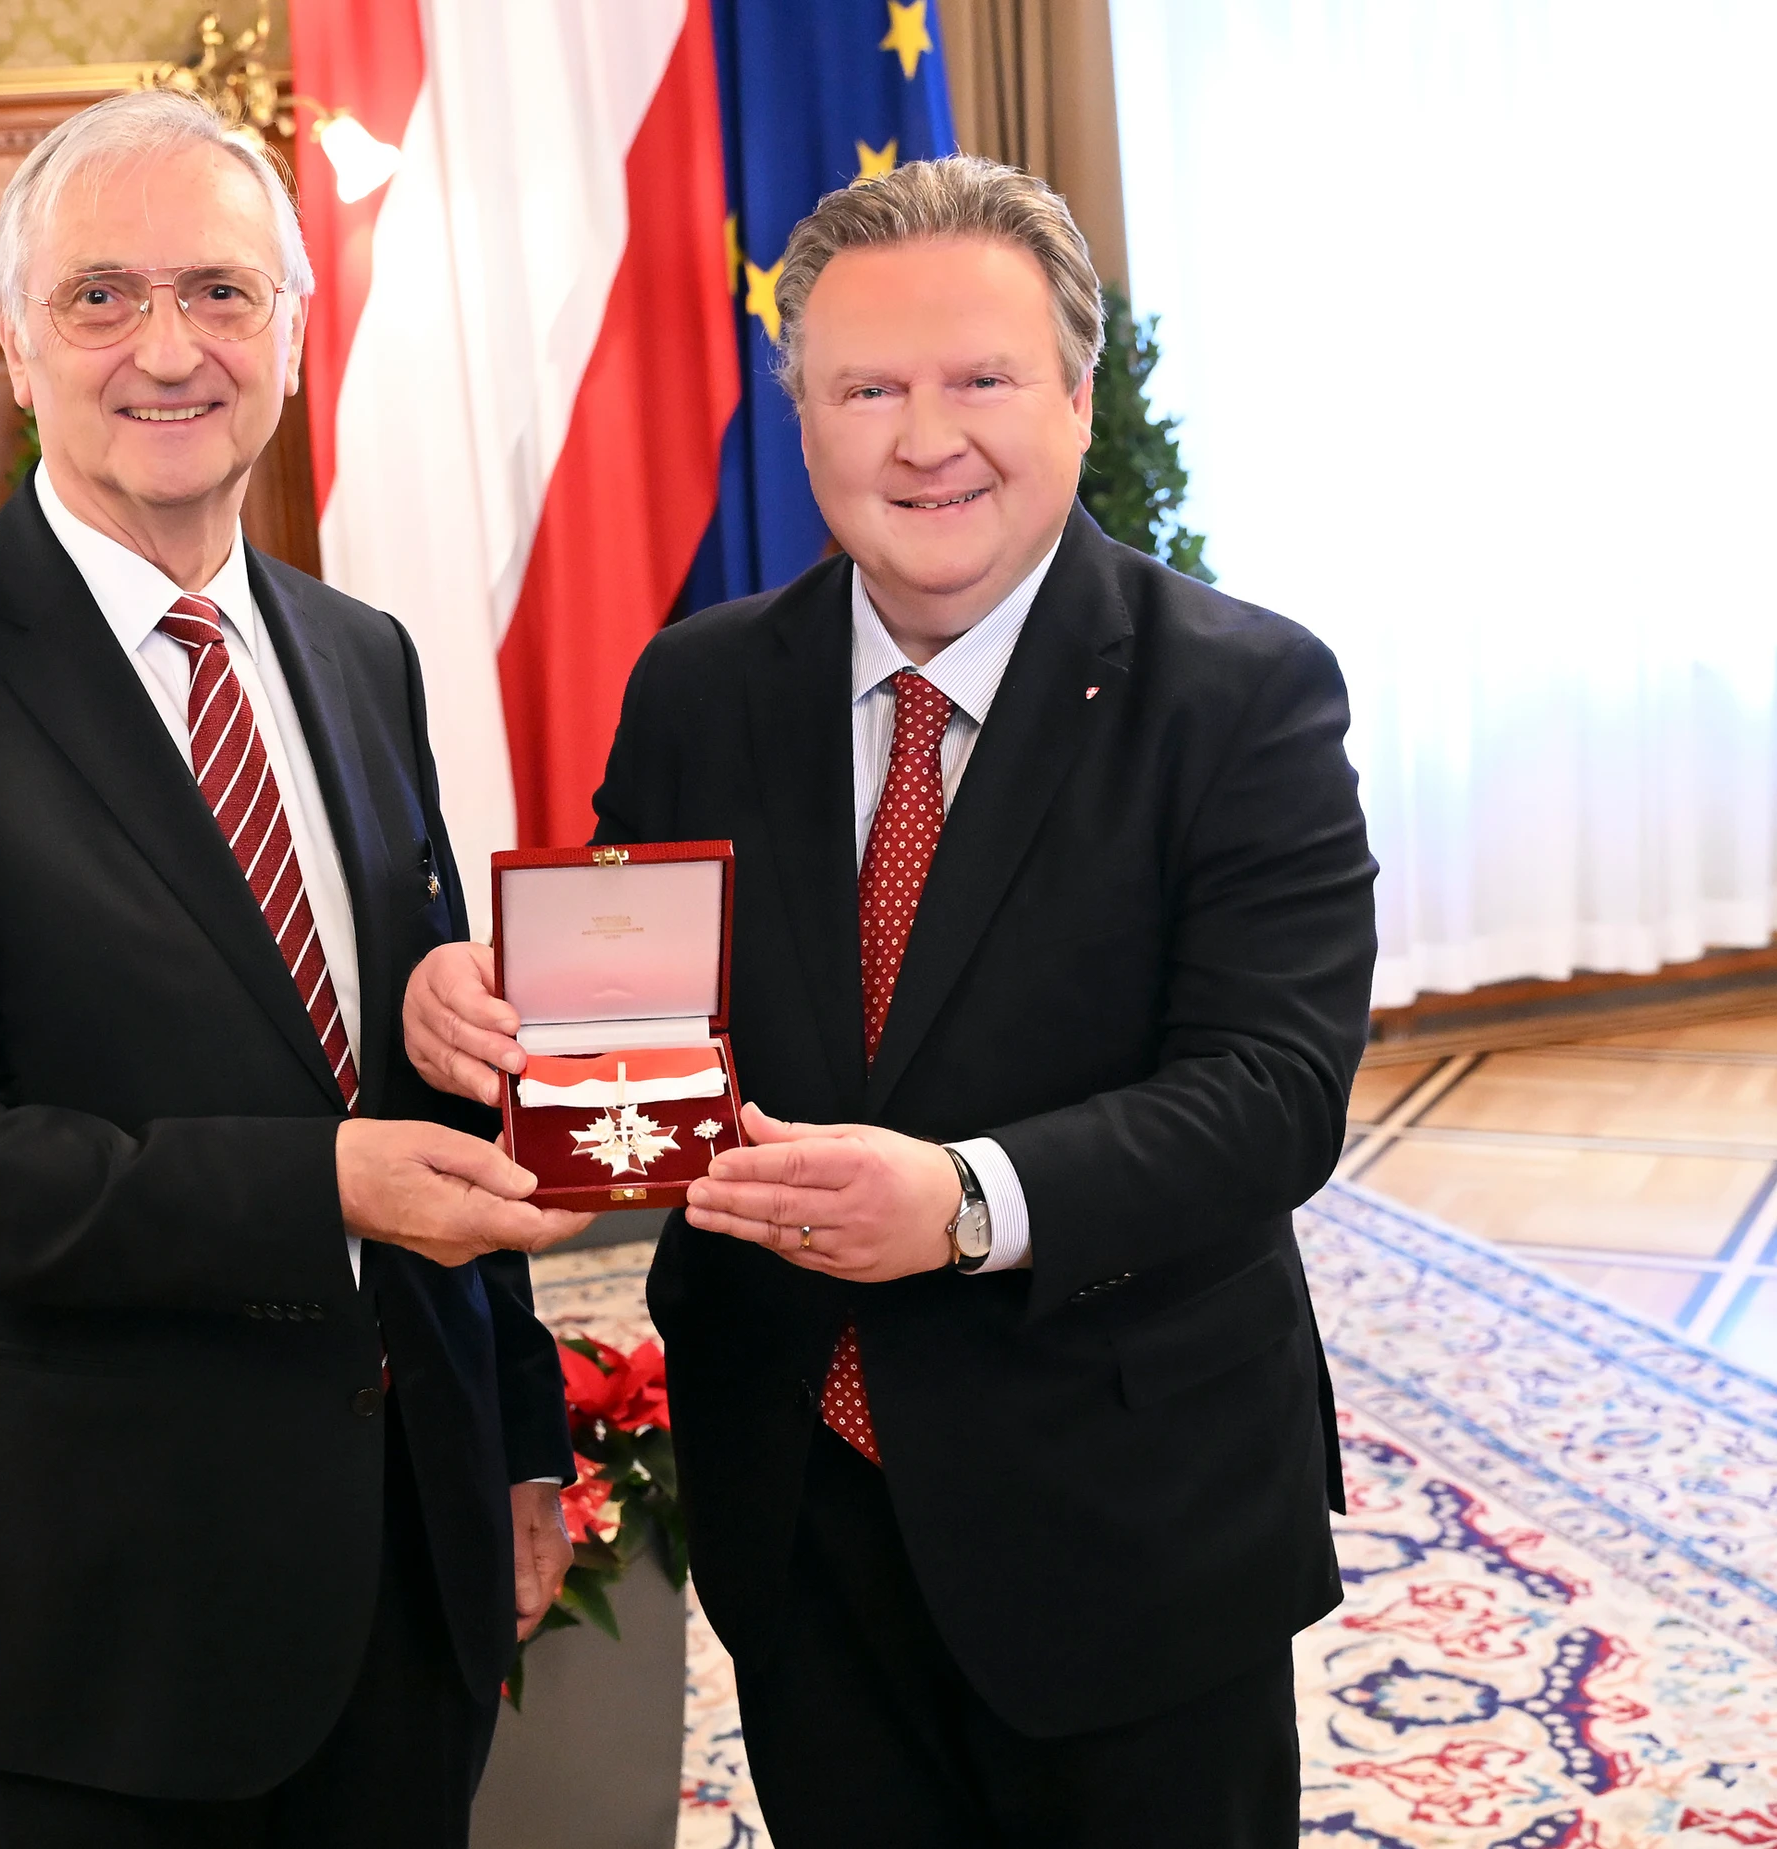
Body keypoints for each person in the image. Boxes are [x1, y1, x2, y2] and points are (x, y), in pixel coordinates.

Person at [405, 155, 1378, 1844]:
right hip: (799, 1509)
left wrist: (968, 1202)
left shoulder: (1243, 694)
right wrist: (475, 1017)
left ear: (1078, 398)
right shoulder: (701, 687)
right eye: (868, 388)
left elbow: (1273, 1092)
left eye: (981, 379)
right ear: (805, 419)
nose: (926, 440)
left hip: (1127, 1522)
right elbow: (630, 1047)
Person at [0, 89, 587, 1849]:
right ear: (14, 338)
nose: (169, 350)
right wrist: (324, 1188)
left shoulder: (360, 656)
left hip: (404, 1564)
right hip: (107, 1622)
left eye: (221, 292)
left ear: (290, 328)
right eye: (101, 298)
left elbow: (418, 1081)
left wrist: (519, 1435)